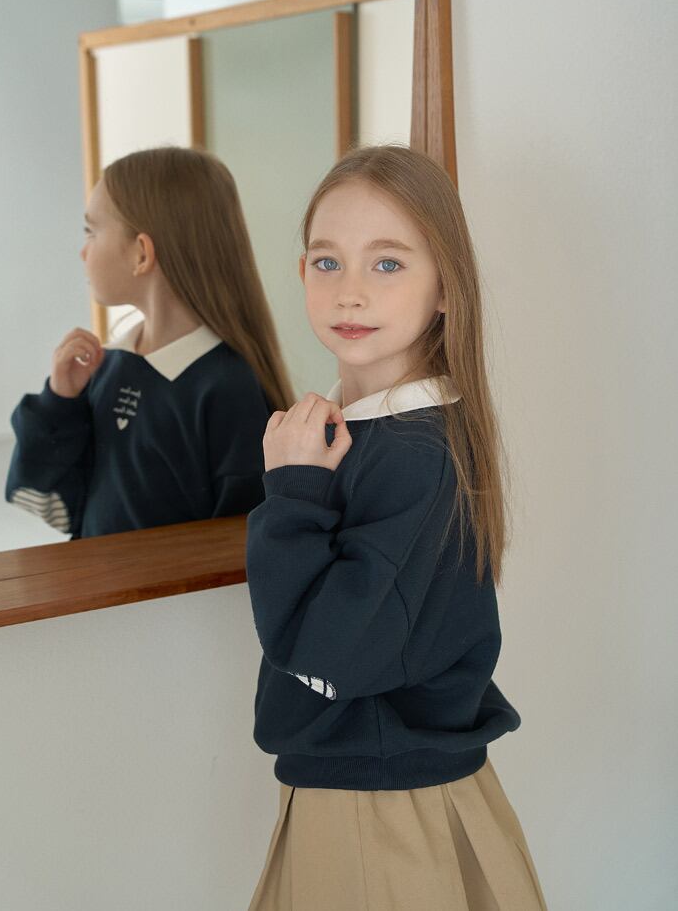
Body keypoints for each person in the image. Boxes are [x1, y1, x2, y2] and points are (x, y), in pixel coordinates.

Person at [244, 144, 548, 910]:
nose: (350, 292)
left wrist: (292, 493)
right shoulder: (374, 432)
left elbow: (327, 655)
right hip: (377, 792)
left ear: (445, 286)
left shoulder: (412, 453)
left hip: (381, 814)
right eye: (327, 261)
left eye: (386, 264)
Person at [5, 146, 295, 539]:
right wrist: (60, 400)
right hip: (98, 580)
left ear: (141, 253)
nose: (83, 251)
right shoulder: (109, 364)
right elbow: (57, 505)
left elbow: (242, 546)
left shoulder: (227, 388)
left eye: (91, 231)